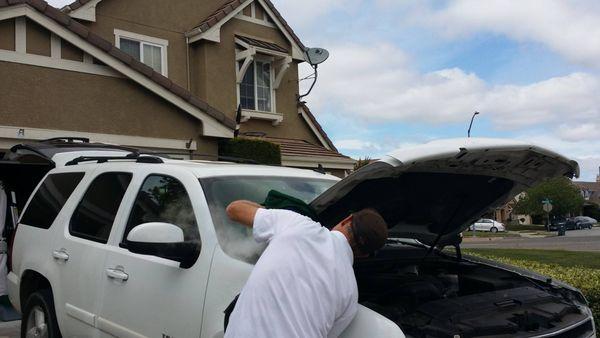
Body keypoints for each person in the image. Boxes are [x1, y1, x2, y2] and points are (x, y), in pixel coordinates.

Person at [224, 200, 389, 338]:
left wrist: (270, 213)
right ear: (365, 255)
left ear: (347, 220)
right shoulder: (350, 295)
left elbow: (234, 209)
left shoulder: (297, 224)